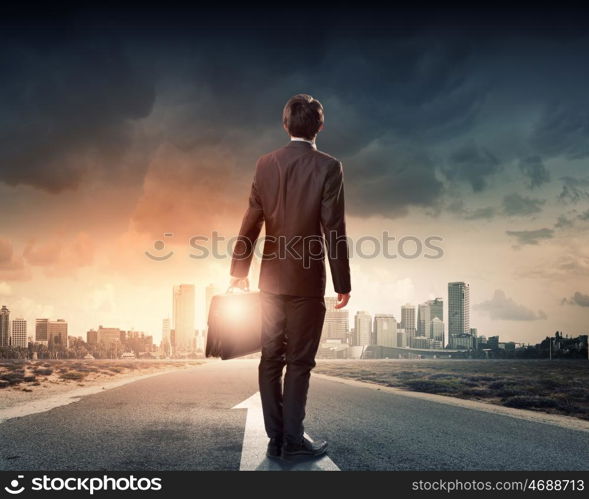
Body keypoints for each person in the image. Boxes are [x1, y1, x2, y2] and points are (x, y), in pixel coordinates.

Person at [230, 93, 351, 461]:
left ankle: (274, 438)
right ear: (320, 126)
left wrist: (238, 271)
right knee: (299, 362)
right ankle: (293, 441)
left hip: (270, 279)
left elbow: (252, 219)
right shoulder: (329, 166)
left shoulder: (265, 164)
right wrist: (341, 283)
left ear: (285, 125)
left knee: (270, 358)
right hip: (307, 281)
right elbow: (333, 227)